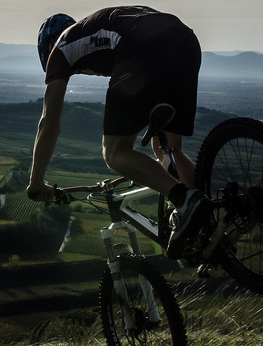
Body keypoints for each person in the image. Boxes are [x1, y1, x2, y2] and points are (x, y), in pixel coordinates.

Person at [26, 6, 210, 259]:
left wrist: (36, 182)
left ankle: (184, 201)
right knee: (168, 148)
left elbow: (49, 123)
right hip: (185, 40)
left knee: (115, 152)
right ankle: (207, 224)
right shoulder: (91, 33)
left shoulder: (59, 49)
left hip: (142, 45)